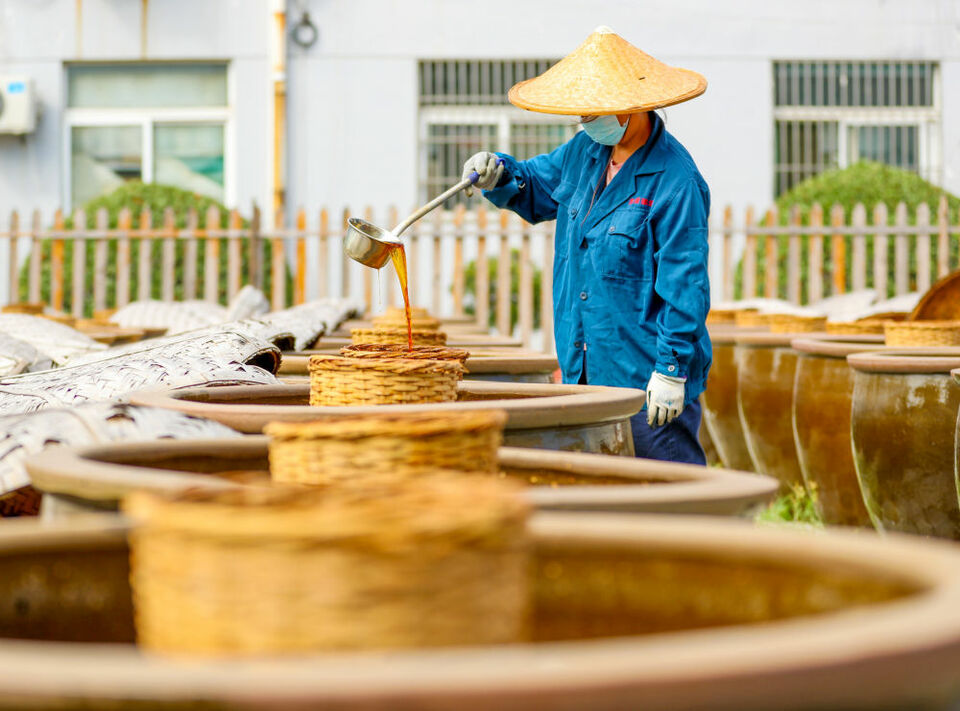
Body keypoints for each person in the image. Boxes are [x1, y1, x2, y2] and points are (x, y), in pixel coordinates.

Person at [462, 26, 711, 465]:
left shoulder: (676, 181)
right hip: (584, 370)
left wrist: (671, 370)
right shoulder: (585, 153)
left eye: (592, 112)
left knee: (664, 508)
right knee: (605, 503)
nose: (584, 122)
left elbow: (684, 286)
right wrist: (500, 171)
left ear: (630, 108)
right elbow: (535, 184)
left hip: (646, 381)